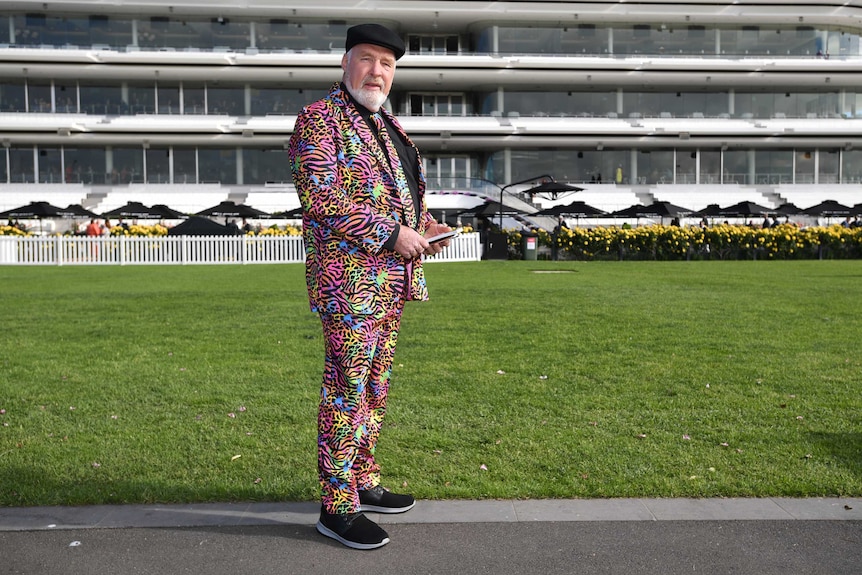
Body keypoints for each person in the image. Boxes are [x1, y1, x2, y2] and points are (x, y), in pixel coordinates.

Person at [288, 22, 452, 550]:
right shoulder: (321, 120)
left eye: (387, 64)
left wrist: (424, 229)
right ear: (345, 63)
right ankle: (336, 507)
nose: (376, 71)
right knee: (347, 389)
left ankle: (363, 479)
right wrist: (392, 234)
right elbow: (323, 199)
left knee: (375, 389)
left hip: (390, 282)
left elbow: (402, 199)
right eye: (366, 59)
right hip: (348, 284)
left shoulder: (391, 129)